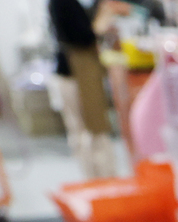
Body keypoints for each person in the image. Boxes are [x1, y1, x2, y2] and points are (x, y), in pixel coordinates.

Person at [48, 0, 127, 179]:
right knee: (89, 133)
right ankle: (100, 180)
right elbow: (83, 36)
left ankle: (102, 179)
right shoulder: (63, 4)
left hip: (77, 73)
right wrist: (102, 20)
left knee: (89, 132)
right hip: (75, 75)